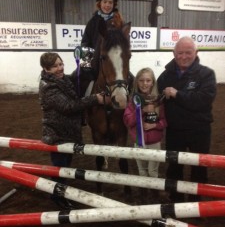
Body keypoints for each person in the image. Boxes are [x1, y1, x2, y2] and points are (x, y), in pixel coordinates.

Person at [39, 52, 110, 209]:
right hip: (57, 135)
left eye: (61, 64)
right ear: (46, 69)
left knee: (64, 167)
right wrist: (95, 99)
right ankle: (57, 196)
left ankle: (59, 192)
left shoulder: (62, 79)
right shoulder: (49, 87)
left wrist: (85, 64)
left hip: (68, 133)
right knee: (60, 169)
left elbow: (77, 77)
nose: (59, 68)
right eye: (54, 66)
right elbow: (69, 106)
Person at [157, 36, 217, 203]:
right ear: (174, 53)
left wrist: (177, 94)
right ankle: (176, 198)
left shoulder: (207, 74)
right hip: (175, 130)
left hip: (200, 130)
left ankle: (195, 199)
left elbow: (202, 100)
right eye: (180, 53)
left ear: (196, 53)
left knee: (199, 166)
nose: (184, 56)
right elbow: (157, 100)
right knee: (174, 166)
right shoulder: (165, 76)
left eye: (188, 52)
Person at [123, 67, 167, 201]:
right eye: (141, 80)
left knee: (153, 172)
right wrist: (141, 110)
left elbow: (164, 122)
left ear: (153, 82)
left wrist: (155, 125)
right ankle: (143, 196)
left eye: (148, 80)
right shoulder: (132, 102)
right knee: (142, 171)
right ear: (137, 82)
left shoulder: (159, 101)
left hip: (155, 143)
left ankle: (154, 196)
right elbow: (128, 121)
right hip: (139, 143)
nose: (145, 83)